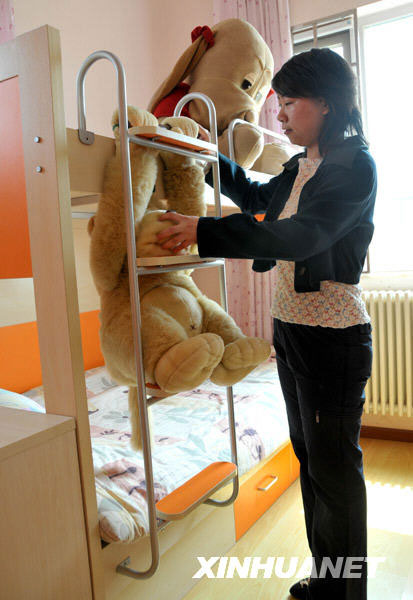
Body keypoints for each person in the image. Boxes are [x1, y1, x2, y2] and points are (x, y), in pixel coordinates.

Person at [157, 48, 377, 600]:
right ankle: (327, 582)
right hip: (294, 329)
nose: (278, 115)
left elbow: (300, 235)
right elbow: (258, 200)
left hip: (334, 337)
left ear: (326, 103)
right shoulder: (301, 164)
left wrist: (204, 232)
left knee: (334, 470)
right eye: (278, 103)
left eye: (289, 102)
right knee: (310, 459)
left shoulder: (354, 167)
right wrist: (203, 154)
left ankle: (349, 593)